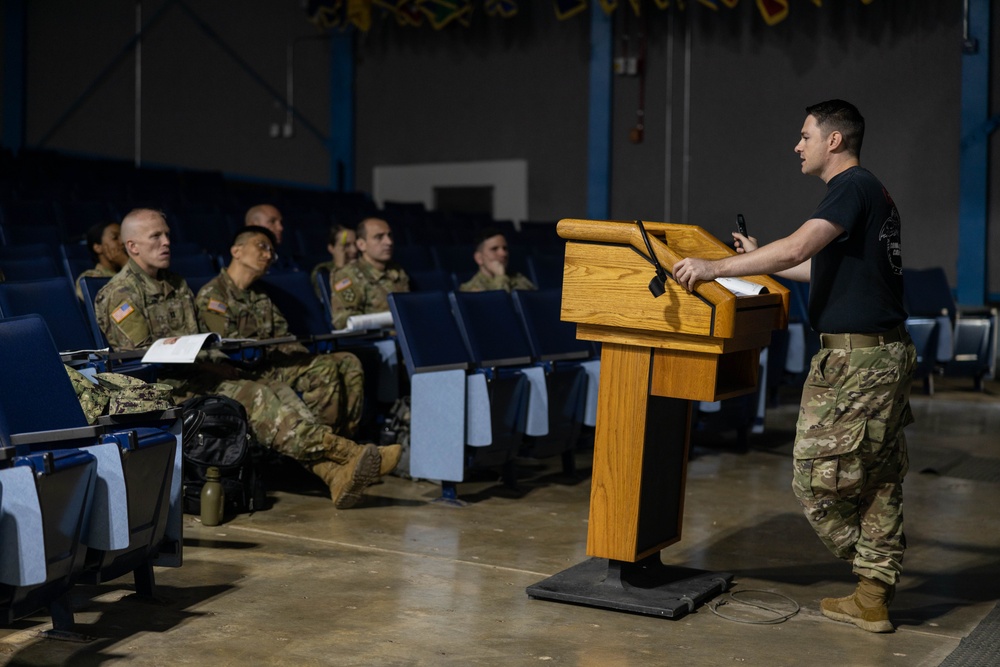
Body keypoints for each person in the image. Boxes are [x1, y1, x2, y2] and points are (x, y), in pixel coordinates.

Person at [672, 99, 915, 633]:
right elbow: (819, 266)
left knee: (815, 478)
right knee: (876, 476)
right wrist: (761, 253)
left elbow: (798, 247)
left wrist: (714, 267)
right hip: (880, 350)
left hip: (859, 359)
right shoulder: (865, 192)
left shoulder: (850, 187)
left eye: (805, 135)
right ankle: (872, 596)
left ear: (833, 141)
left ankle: (874, 571)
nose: (797, 145)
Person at [94, 208, 395, 509]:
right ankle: (347, 453)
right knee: (258, 394)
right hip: (167, 387)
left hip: (199, 374)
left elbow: (196, 338)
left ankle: (333, 474)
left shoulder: (176, 284)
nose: (166, 243)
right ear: (132, 246)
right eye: (155, 237)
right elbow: (145, 356)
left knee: (279, 389)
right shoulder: (120, 293)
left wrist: (216, 361)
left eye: (167, 235)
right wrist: (210, 364)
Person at [195, 225, 377, 445]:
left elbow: (282, 335)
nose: (269, 255)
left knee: (349, 362)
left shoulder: (259, 294)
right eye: (262, 247)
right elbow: (226, 349)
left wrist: (303, 357)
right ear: (237, 251)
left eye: (272, 251)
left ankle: (344, 441)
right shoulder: (214, 295)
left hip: (274, 362)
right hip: (245, 370)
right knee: (324, 369)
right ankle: (322, 448)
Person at [327, 217, 410, 330]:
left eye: (389, 235)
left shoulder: (397, 270)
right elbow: (343, 320)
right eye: (379, 237)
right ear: (361, 244)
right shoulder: (347, 275)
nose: (389, 242)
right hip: (377, 340)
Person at [459, 228, 537, 292]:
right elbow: (500, 306)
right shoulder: (470, 288)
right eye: (494, 249)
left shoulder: (519, 279)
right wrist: (500, 277)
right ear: (479, 258)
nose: (503, 254)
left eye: (505, 248)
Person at [75, 220, 128, 299]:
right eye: (115, 238)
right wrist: (125, 262)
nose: (122, 242)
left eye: (123, 237)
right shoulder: (90, 277)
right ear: (98, 248)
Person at [310, 224, 358, 298]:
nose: (354, 250)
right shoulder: (323, 271)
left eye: (356, 244)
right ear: (331, 248)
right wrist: (340, 268)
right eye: (346, 245)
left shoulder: (364, 266)